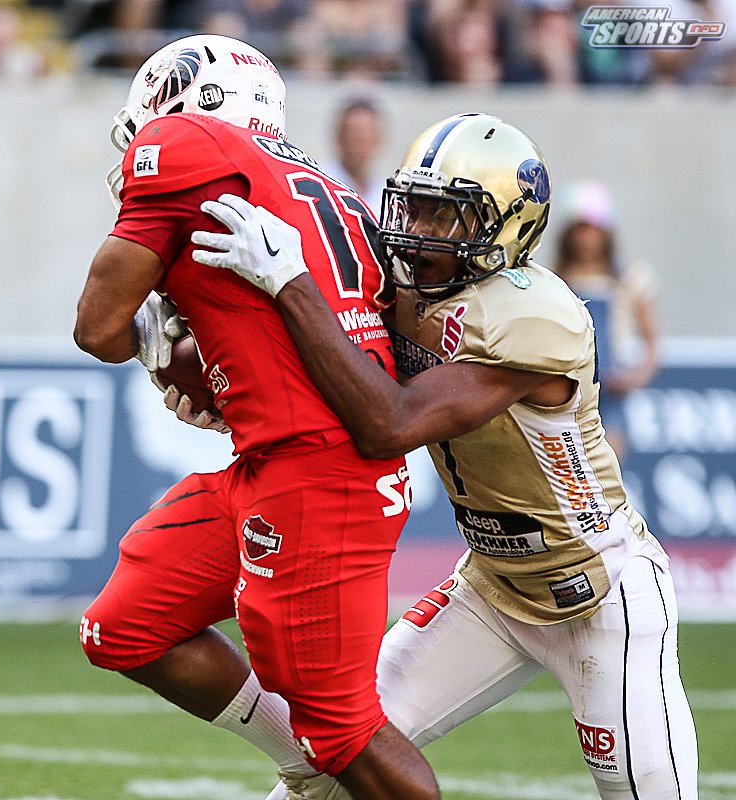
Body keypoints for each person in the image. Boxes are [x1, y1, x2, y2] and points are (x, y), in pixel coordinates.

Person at [190, 112, 699, 800]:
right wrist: (192, 358)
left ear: (507, 226)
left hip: (600, 595)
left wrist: (291, 283)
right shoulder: (405, 292)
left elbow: (388, 423)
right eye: (414, 207)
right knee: (333, 758)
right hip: (492, 588)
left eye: (444, 215)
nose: (417, 231)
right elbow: (317, 364)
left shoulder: (534, 316)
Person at [73, 35, 440, 800]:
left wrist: (147, 336)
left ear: (192, 100)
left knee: (343, 730)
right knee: (124, 625)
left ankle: (319, 759)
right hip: (277, 460)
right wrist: (212, 370)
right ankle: (305, 770)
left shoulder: (188, 144)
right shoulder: (324, 186)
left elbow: (97, 327)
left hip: (317, 479)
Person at [553, 179, 661, 464]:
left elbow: (652, 343)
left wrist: (634, 378)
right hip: (567, 392)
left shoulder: (630, 278)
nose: (585, 238)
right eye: (579, 228)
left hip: (611, 393)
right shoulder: (553, 281)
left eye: (592, 228)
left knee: (607, 466)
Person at [322, 98, 389, 208]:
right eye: (355, 138)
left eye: (366, 139)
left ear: (378, 140)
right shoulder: (320, 184)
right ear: (340, 137)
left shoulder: (384, 194)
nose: (361, 148)